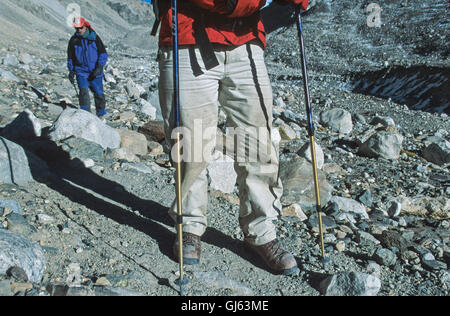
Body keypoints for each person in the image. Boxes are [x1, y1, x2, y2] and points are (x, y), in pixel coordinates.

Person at [156, 0, 309, 275]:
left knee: (257, 144)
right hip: (186, 37)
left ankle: (261, 233)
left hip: (246, 42)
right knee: (191, 143)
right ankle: (189, 226)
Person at [67, 17, 108, 118]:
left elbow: (103, 54)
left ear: (85, 26)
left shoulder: (94, 38)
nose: (79, 30)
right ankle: (86, 115)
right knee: (83, 93)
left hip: (95, 72)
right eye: (77, 28)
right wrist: (71, 71)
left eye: (81, 27)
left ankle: (101, 114)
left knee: (99, 94)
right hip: (81, 71)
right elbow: (70, 57)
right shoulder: (74, 40)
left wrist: (99, 67)